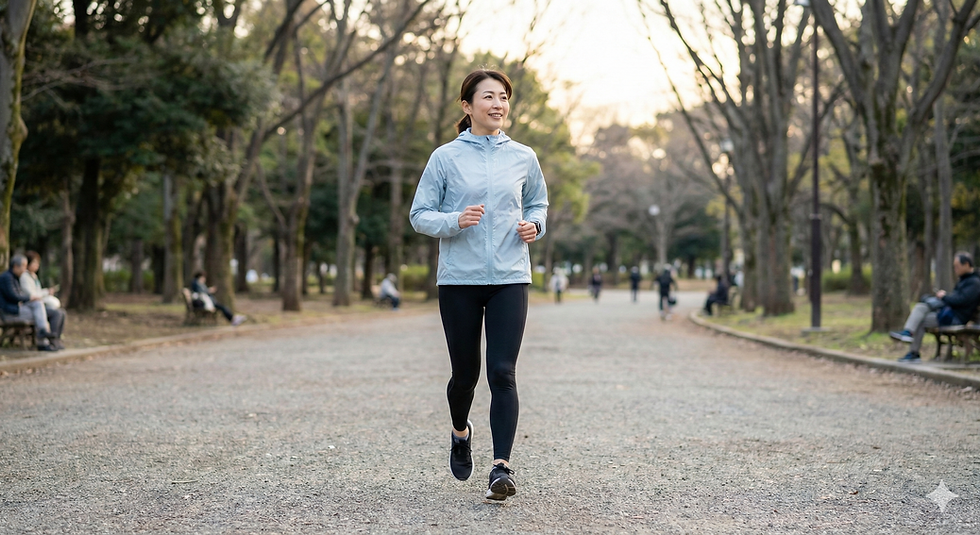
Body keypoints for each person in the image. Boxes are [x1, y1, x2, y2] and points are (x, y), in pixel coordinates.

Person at [409, 68, 548, 501]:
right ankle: (460, 430)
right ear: (468, 106)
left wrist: (535, 225)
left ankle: (501, 468)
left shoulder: (523, 156)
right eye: (488, 97)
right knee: (465, 376)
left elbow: (539, 201)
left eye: (504, 97)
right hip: (460, 280)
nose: (498, 104)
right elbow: (420, 214)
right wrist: (455, 220)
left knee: (503, 372)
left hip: (510, 276)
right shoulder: (445, 157)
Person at [890, 252, 980, 362]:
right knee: (921, 309)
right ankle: (910, 343)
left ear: (966, 264)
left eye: (957, 266)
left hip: (955, 319)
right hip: (950, 315)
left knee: (921, 315)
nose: (955, 269)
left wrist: (944, 297)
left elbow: (961, 301)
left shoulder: (974, 283)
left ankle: (911, 343)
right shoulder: (965, 281)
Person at [0, 255, 62, 351]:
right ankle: (43, 339)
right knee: (39, 310)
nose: (25, 269)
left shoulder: (15, 277)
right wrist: (30, 298)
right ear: (16, 266)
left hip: (17, 309)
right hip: (10, 312)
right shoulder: (7, 278)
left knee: (39, 307)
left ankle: (44, 336)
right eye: (24, 266)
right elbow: (13, 296)